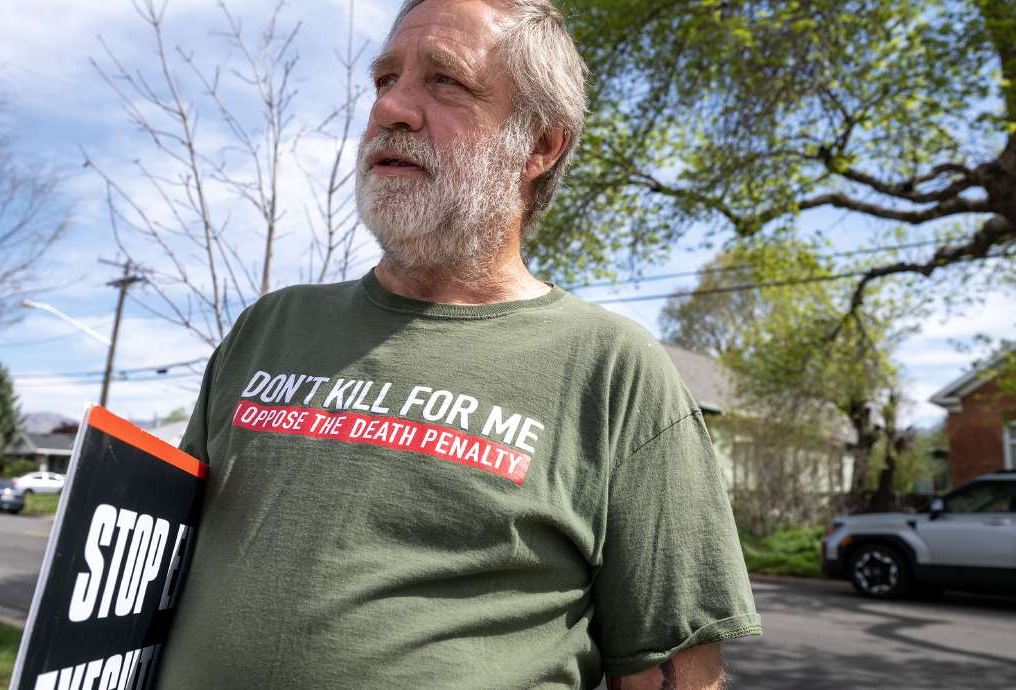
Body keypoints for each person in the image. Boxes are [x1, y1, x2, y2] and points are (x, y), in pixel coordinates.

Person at [155, 0, 761, 687]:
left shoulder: (615, 370)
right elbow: (142, 578)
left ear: (540, 145)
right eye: (385, 79)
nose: (390, 109)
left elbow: (676, 673)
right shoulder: (269, 327)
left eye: (445, 80)